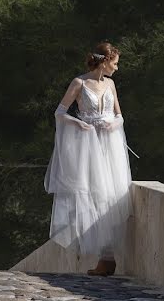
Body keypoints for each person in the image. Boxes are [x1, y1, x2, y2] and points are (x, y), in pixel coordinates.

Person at [44, 42, 133, 276]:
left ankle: (108, 257)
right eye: (115, 63)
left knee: (111, 194)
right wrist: (81, 123)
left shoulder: (111, 84)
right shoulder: (79, 83)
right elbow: (60, 113)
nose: (116, 68)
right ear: (104, 62)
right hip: (88, 145)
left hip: (109, 144)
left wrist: (112, 124)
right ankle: (106, 257)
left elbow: (120, 116)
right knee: (94, 193)